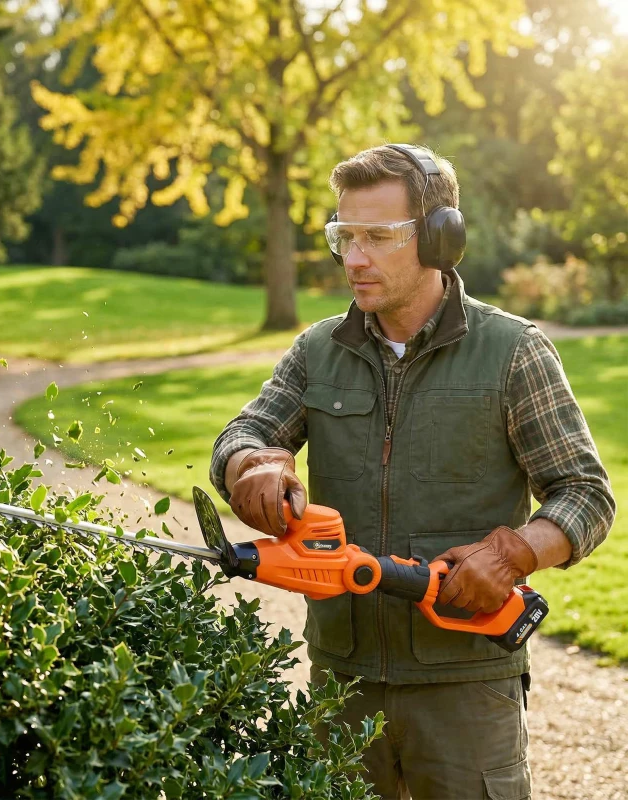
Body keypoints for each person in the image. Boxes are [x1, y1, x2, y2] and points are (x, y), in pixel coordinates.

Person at [209, 143, 615, 800]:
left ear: (438, 238)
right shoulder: (318, 351)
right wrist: (255, 463)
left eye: (378, 237)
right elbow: (245, 432)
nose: (355, 258)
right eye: (345, 236)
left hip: (466, 689)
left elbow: (585, 495)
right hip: (341, 683)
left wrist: (514, 552)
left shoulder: (513, 352)